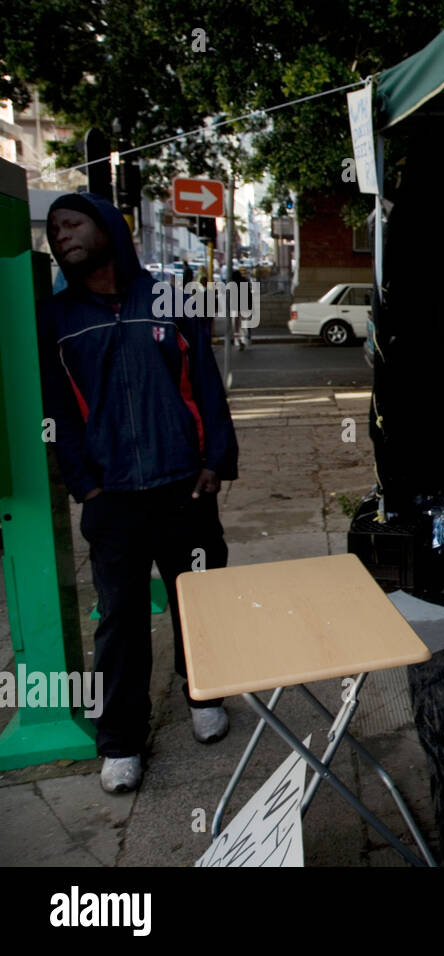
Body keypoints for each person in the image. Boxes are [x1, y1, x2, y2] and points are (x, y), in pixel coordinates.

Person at [36, 193, 239, 793]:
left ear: (108, 229)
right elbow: (58, 413)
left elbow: (205, 381)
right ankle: (121, 739)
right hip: (114, 498)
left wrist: (216, 460)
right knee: (118, 619)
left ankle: (205, 695)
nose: (62, 234)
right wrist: (86, 485)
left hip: (185, 486)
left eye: (73, 222)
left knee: (199, 600)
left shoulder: (173, 299)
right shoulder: (58, 318)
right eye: (54, 229)